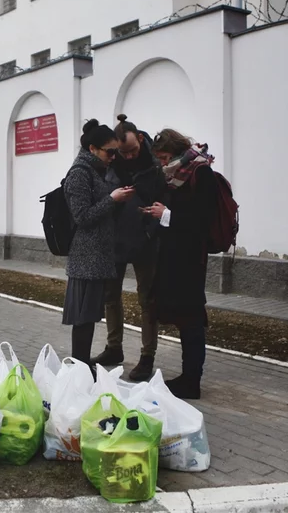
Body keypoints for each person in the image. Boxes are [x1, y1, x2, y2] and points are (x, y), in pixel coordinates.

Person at [143, 129, 218, 400]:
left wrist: (167, 215)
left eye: (164, 158)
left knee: (192, 320)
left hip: (190, 260)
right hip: (176, 257)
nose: (162, 164)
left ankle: (192, 381)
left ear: (175, 153)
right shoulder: (177, 176)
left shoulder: (200, 173)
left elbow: (201, 221)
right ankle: (188, 377)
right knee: (186, 320)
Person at [92, 114, 166, 381]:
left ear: (141, 140)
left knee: (147, 300)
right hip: (116, 241)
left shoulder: (156, 165)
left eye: (133, 150)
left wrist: (150, 232)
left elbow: (164, 202)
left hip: (146, 242)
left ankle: (147, 357)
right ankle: (114, 349)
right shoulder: (111, 163)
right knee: (111, 296)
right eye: (123, 152)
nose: (129, 156)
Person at [63, 119, 135, 368]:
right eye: (110, 152)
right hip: (85, 259)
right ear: (93, 149)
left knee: (89, 317)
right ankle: (80, 367)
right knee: (83, 318)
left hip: (96, 257)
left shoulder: (95, 171)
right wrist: (113, 199)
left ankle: (82, 366)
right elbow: (82, 216)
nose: (113, 157)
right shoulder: (79, 174)